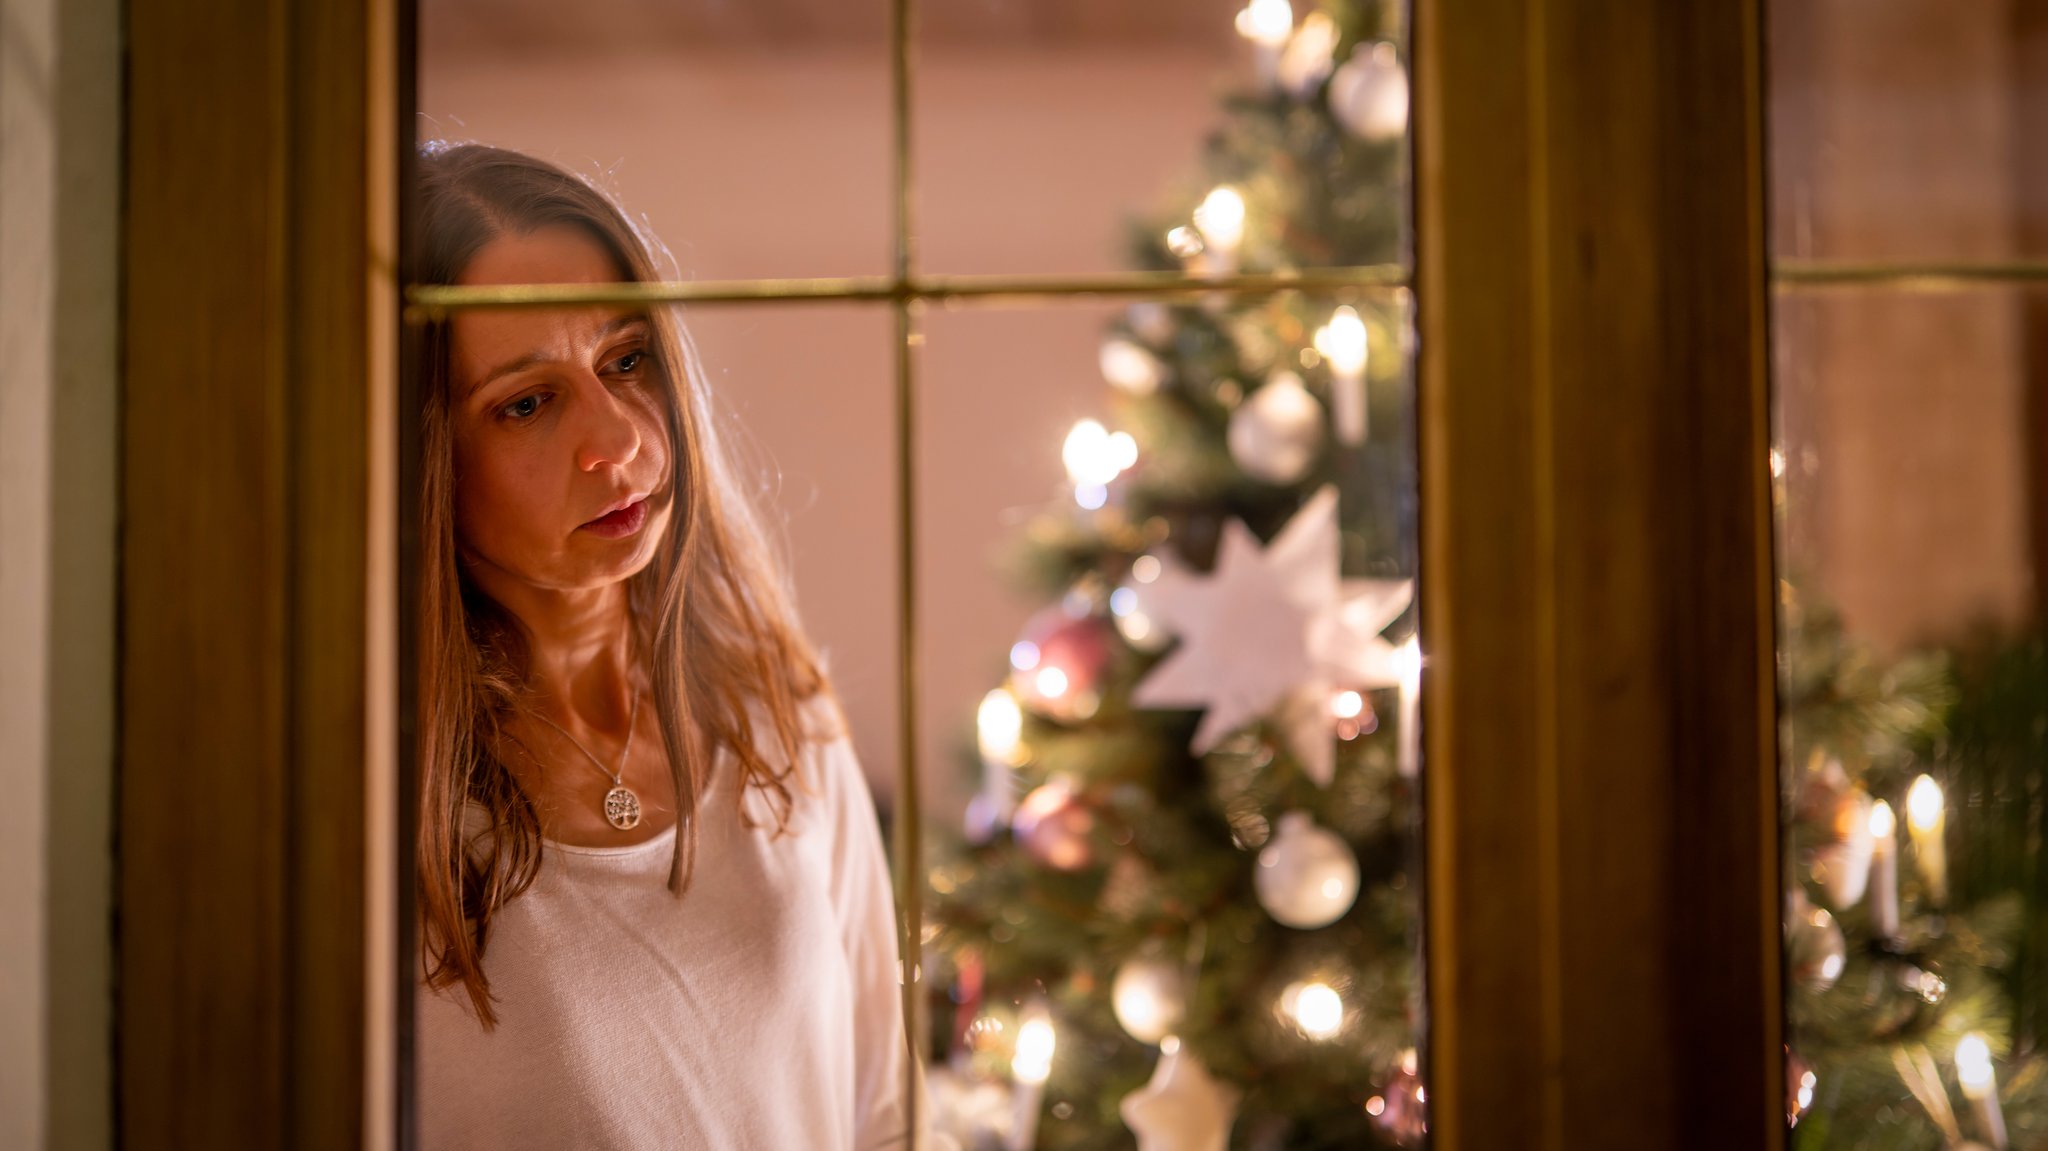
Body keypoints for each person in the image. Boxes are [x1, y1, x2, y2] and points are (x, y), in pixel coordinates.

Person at [411, 141, 919, 1150]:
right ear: (424, 455)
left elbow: (885, 1112)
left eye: (625, 359)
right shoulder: (383, 809)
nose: (619, 441)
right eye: (525, 401)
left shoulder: (773, 703)